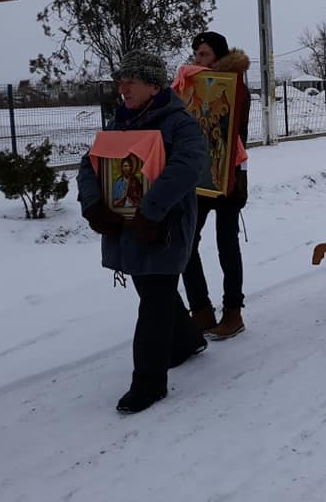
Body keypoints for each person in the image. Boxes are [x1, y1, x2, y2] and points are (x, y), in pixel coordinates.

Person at [78, 50, 207, 414]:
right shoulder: (119, 124)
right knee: (154, 290)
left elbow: (189, 166)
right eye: (121, 81)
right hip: (126, 229)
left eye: (129, 81)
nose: (122, 88)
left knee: (154, 298)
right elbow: (89, 165)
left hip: (163, 228)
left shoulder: (179, 122)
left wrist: (150, 212)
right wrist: (93, 205)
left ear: (153, 85)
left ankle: (148, 384)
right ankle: (185, 341)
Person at [181, 31, 252, 339]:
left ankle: (233, 312)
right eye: (196, 55)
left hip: (228, 175)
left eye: (205, 55)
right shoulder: (190, 87)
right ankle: (201, 310)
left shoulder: (235, 87)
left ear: (219, 57)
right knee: (186, 244)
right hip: (198, 178)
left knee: (226, 244)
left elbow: (230, 132)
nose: (199, 60)